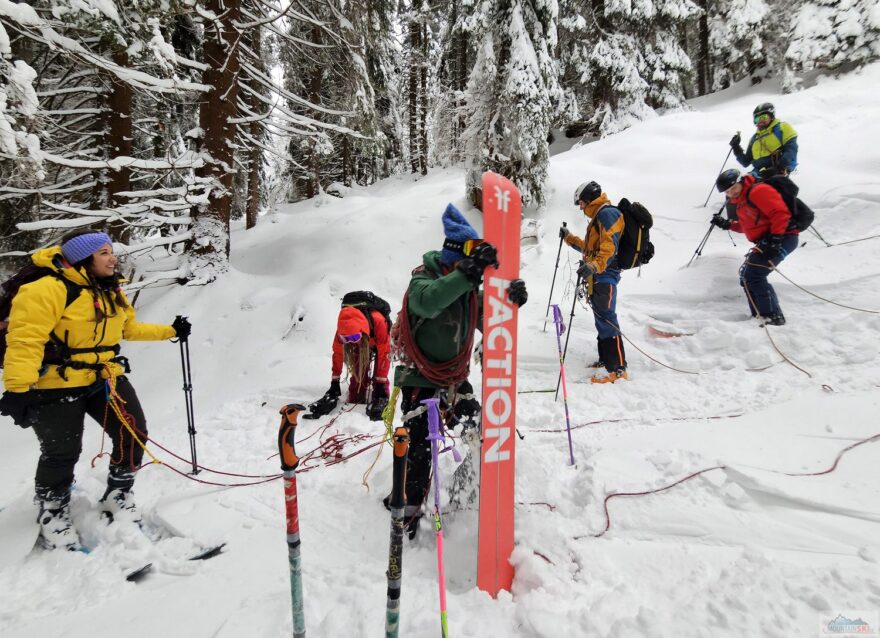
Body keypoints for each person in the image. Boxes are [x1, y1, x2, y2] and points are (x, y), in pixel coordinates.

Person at [0, 230, 189, 551]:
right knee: (62, 451)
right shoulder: (45, 290)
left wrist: (171, 330)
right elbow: (25, 340)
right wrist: (18, 389)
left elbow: (128, 329)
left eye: (111, 251)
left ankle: (118, 492)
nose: (112, 257)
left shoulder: (109, 290)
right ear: (83, 258)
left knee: (134, 432)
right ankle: (53, 509)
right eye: (103, 252)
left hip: (104, 378)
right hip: (54, 384)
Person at [391, 203, 527, 538]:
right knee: (421, 448)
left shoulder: (468, 292)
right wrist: (466, 275)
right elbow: (431, 301)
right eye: (467, 258)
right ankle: (406, 512)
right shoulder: (422, 280)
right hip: (420, 381)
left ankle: (467, 489)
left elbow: (493, 319)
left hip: (454, 381)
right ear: (454, 256)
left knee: (483, 429)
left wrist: (511, 299)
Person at [711, 168, 800, 325]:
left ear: (741, 181)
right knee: (746, 276)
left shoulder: (758, 191)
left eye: (733, 188)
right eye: (727, 192)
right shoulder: (742, 203)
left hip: (785, 236)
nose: (731, 193)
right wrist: (728, 225)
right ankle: (759, 315)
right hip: (770, 239)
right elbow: (750, 227)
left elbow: (780, 213)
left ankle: (772, 316)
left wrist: (775, 239)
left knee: (755, 274)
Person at [560, 181, 628, 383]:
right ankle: (606, 360)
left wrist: (594, 266)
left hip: (606, 275)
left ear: (589, 199)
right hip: (599, 275)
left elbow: (609, 248)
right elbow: (591, 250)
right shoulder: (599, 216)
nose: (581, 208)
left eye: (581, 203)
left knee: (607, 318)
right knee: (601, 318)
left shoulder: (608, 214)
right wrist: (570, 238)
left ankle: (618, 369)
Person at [306, 299, 391, 421]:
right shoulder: (342, 331)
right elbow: (338, 354)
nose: (351, 341)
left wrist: (381, 384)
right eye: (347, 339)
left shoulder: (378, 320)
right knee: (358, 374)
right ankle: (356, 399)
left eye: (354, 337)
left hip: (377, 339)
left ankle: (381, 400)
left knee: (380, 377)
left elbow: (385, 354)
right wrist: (334, 381)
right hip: (361, 341)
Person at [730, 102, 798, 178]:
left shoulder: (782, 128)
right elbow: (745, 162)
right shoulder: (754, 139)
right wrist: (736, 147)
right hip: (758, 173)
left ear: (772, 116)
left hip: (778, 171)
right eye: (757, 118)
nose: (760, 120)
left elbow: (791, 151)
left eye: (764, 117)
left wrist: (777, 168)